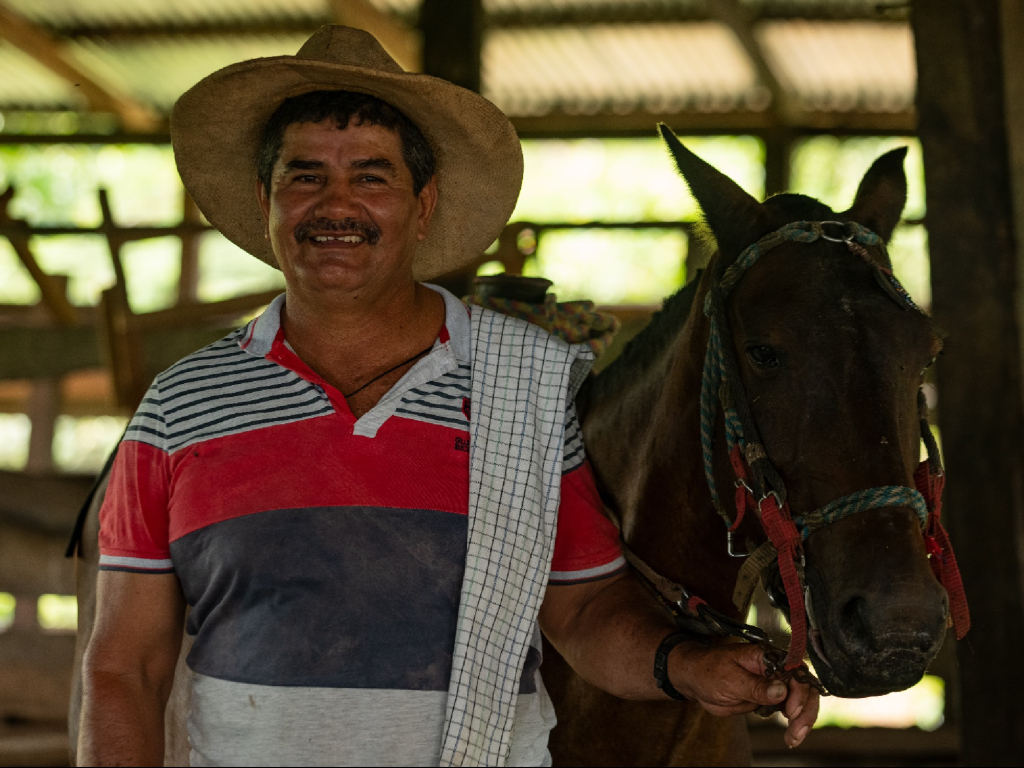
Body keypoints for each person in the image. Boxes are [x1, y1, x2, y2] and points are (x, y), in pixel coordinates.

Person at [77, 25, 818, 767]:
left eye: (372, 177)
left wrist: (691, 666)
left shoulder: (519, 389)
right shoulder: (181, 409)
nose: (336, 206)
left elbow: (585, 611)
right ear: (264, 200)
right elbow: (123, 669)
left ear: (423, 204)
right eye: (304, 176)